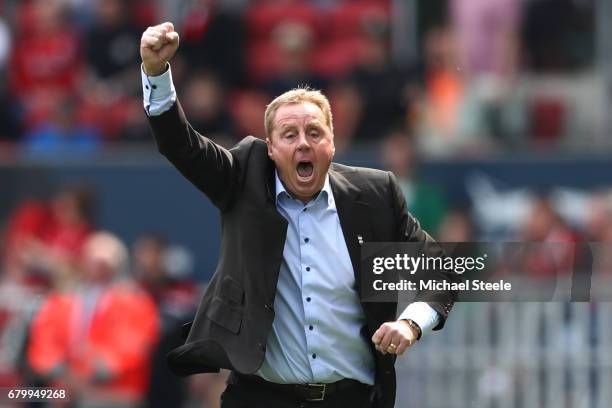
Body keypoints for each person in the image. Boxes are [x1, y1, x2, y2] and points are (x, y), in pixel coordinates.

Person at [140, 22, 456, 408]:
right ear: (271, 149)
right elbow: (180, 145)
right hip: (261, 398)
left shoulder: (375, 195)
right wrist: (156, 73)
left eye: (315, 132)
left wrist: (411, 324)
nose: (303, 142)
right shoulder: (243, 180)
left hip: (351, 399)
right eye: (290, 135)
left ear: (333, 143)